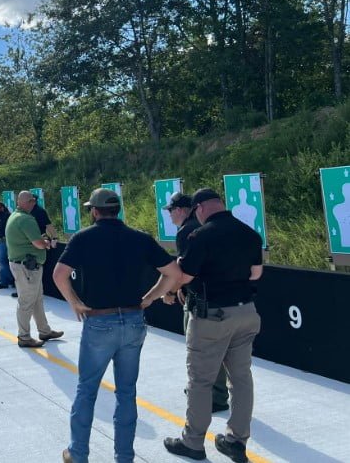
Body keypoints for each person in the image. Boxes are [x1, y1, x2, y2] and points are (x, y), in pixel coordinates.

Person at [53, 188, 181, 463]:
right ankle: (124, 457)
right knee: (126, 393)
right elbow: (173, 273)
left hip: (99, 320)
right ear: (118, 210)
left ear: (95, 211)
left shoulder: (83, 238)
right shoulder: (140, 238)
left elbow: (59, 274)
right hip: (134, 320)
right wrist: (149, 298)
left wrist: (74, 302)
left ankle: (78, 453)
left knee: (87, 390)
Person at [163, 188, 263, 463]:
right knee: (241, 379)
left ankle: (193, 442)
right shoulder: (250, 234)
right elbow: (256, 273)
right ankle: (236, 441)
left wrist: (167, 292)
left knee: (201, 381)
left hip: (211, 316)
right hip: (246, 312)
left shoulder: (200, 235)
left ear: (200, 208)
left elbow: (184, 275)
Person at [165, 192, 229, 413]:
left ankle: (215, 394)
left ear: (182, 209)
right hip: (215, 295)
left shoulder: (186, 232)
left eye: (171, 210)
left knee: (200, 348)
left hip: (200, 298)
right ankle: (212, 390)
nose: (169, 215)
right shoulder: (196, 227)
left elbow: (187, 268)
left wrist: (176, 289)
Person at [5, 191, 63, 348]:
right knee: (27, 302)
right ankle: (24, 336)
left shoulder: (15, 216)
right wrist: (47, 243)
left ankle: (44, 331)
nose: (34, 204)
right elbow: (38, 243)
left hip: (23, 265)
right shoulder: (26, 219)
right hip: (28, 267)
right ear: (27, 202)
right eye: (32, 201)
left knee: (36, 300)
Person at [0, 201, 13, 290]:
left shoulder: (6, 216)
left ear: (2, 208)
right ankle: (4, 282)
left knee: (1, 261)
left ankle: (13, 279)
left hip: (4, 241)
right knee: (1, 262)